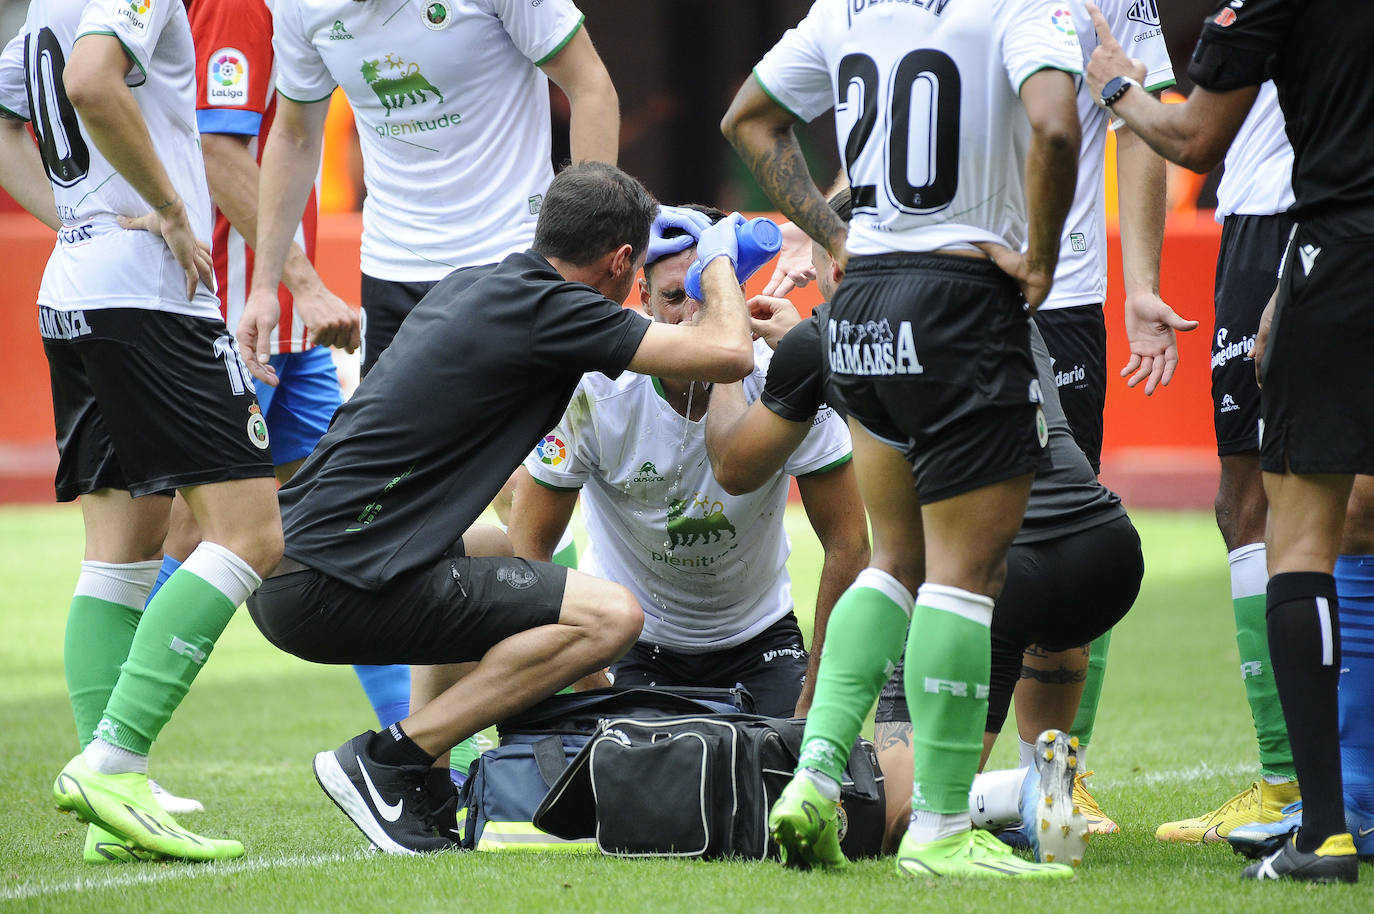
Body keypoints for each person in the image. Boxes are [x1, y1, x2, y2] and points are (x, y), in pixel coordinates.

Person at [245, 164, 756, 855]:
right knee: (613, 615)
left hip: (288, 567)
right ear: (621, 262)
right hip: (329, 585)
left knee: (495, 550)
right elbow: (725, 354)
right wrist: (719, 261)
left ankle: (418, 788)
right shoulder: (559, 313)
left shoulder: (478, 285)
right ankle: (392, 758)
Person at [722, 0, 1082, 879]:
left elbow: (746, 118)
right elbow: (1058, 128)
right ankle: (941, 831)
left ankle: (811, 782)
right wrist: (1037, 257)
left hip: (863, 301)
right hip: (959, 298)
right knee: (966, 576)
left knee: (896, 559)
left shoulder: (845, 6)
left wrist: (837, 233)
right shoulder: (1024, 7)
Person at [711, 188, 1141, 866]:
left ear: (842, 264)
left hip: (996, 577)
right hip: (1105, 549)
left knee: (897, 816)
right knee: (1049, 609)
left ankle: (1005, 799)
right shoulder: (988, 283)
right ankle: (1054, 798)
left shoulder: (832, 335)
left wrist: (728, 346)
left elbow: (735, 466)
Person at [1084, 0, 1373, 884]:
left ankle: (1321, 813)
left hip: (1329, 239)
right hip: (1310, 247)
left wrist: (1116, 86)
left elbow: (1195, 136)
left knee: (1302, 528)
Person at [0, 0, 282, 863]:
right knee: (251, 535)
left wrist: (76, 221)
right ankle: (114, 761)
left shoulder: (49, 3)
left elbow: (9, 123)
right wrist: (167, 207)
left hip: (77, 286)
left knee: (118, 555)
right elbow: (90, 82)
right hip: (148, 299)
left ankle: (109, 798)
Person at [509, 206, 867, 718]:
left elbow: (850, 545)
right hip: (632, 639)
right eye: (675, 297)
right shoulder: (592, 383)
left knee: (783, 785)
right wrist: (588, 679)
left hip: (761, 637)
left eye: (708, 294)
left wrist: (817, 693)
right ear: (644, 298)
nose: (692, 316)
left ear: (737, 294)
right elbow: (528, 548)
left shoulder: (783, 377)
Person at [1009, 1, 1193, 834]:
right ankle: (916, 782)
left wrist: (1142, 281)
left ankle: (1051, 787)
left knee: (1063, 550)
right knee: (926, 550)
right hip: (944, 287)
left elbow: (1137, 110)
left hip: (1063, 300)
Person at [250, 0, 618, 377]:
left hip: (512, 257)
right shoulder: (299, 6)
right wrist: (263, 286)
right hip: (390, 269)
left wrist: (589, 249)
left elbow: (590, 86)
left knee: (517, 436)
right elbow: (294, 137)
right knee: (383, 438)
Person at [1153, 84, 1301, 845]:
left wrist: (1117, 84)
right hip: (1301, 212)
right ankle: (1323, 780)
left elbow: (1194, 136)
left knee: (1254, 503)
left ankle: (1289, 785)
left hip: (1283, 212)